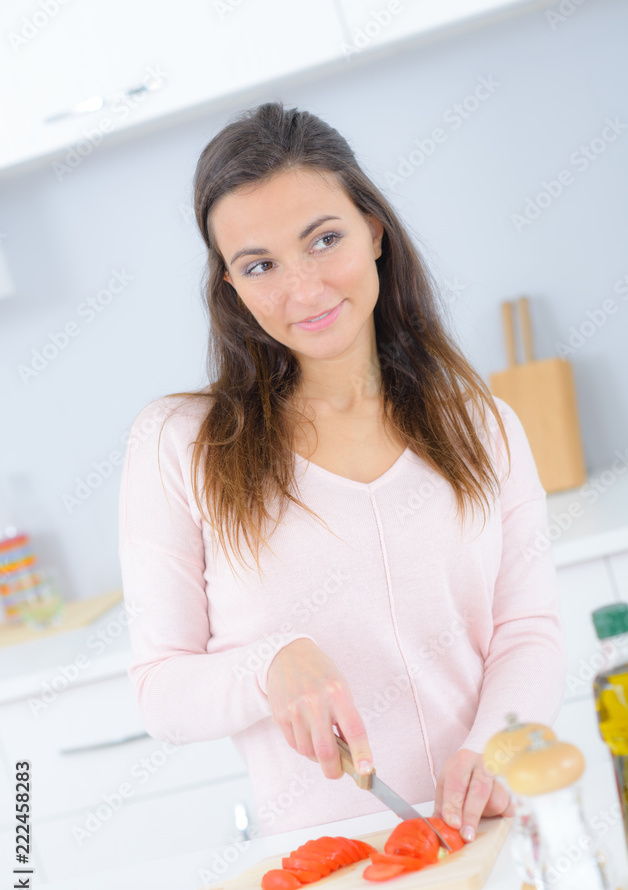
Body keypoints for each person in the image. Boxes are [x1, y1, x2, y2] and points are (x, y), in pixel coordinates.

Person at [118, 101, 567, 841]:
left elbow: (526, 631)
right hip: (322, 869)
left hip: (494, 832)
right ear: (231, 287)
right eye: (259, 265)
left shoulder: (483, 427)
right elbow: (161, 690)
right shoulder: (179, 445)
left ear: (375, 231)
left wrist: (494, 748)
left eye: (323, 240)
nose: (303, 289)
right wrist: (269, 665)